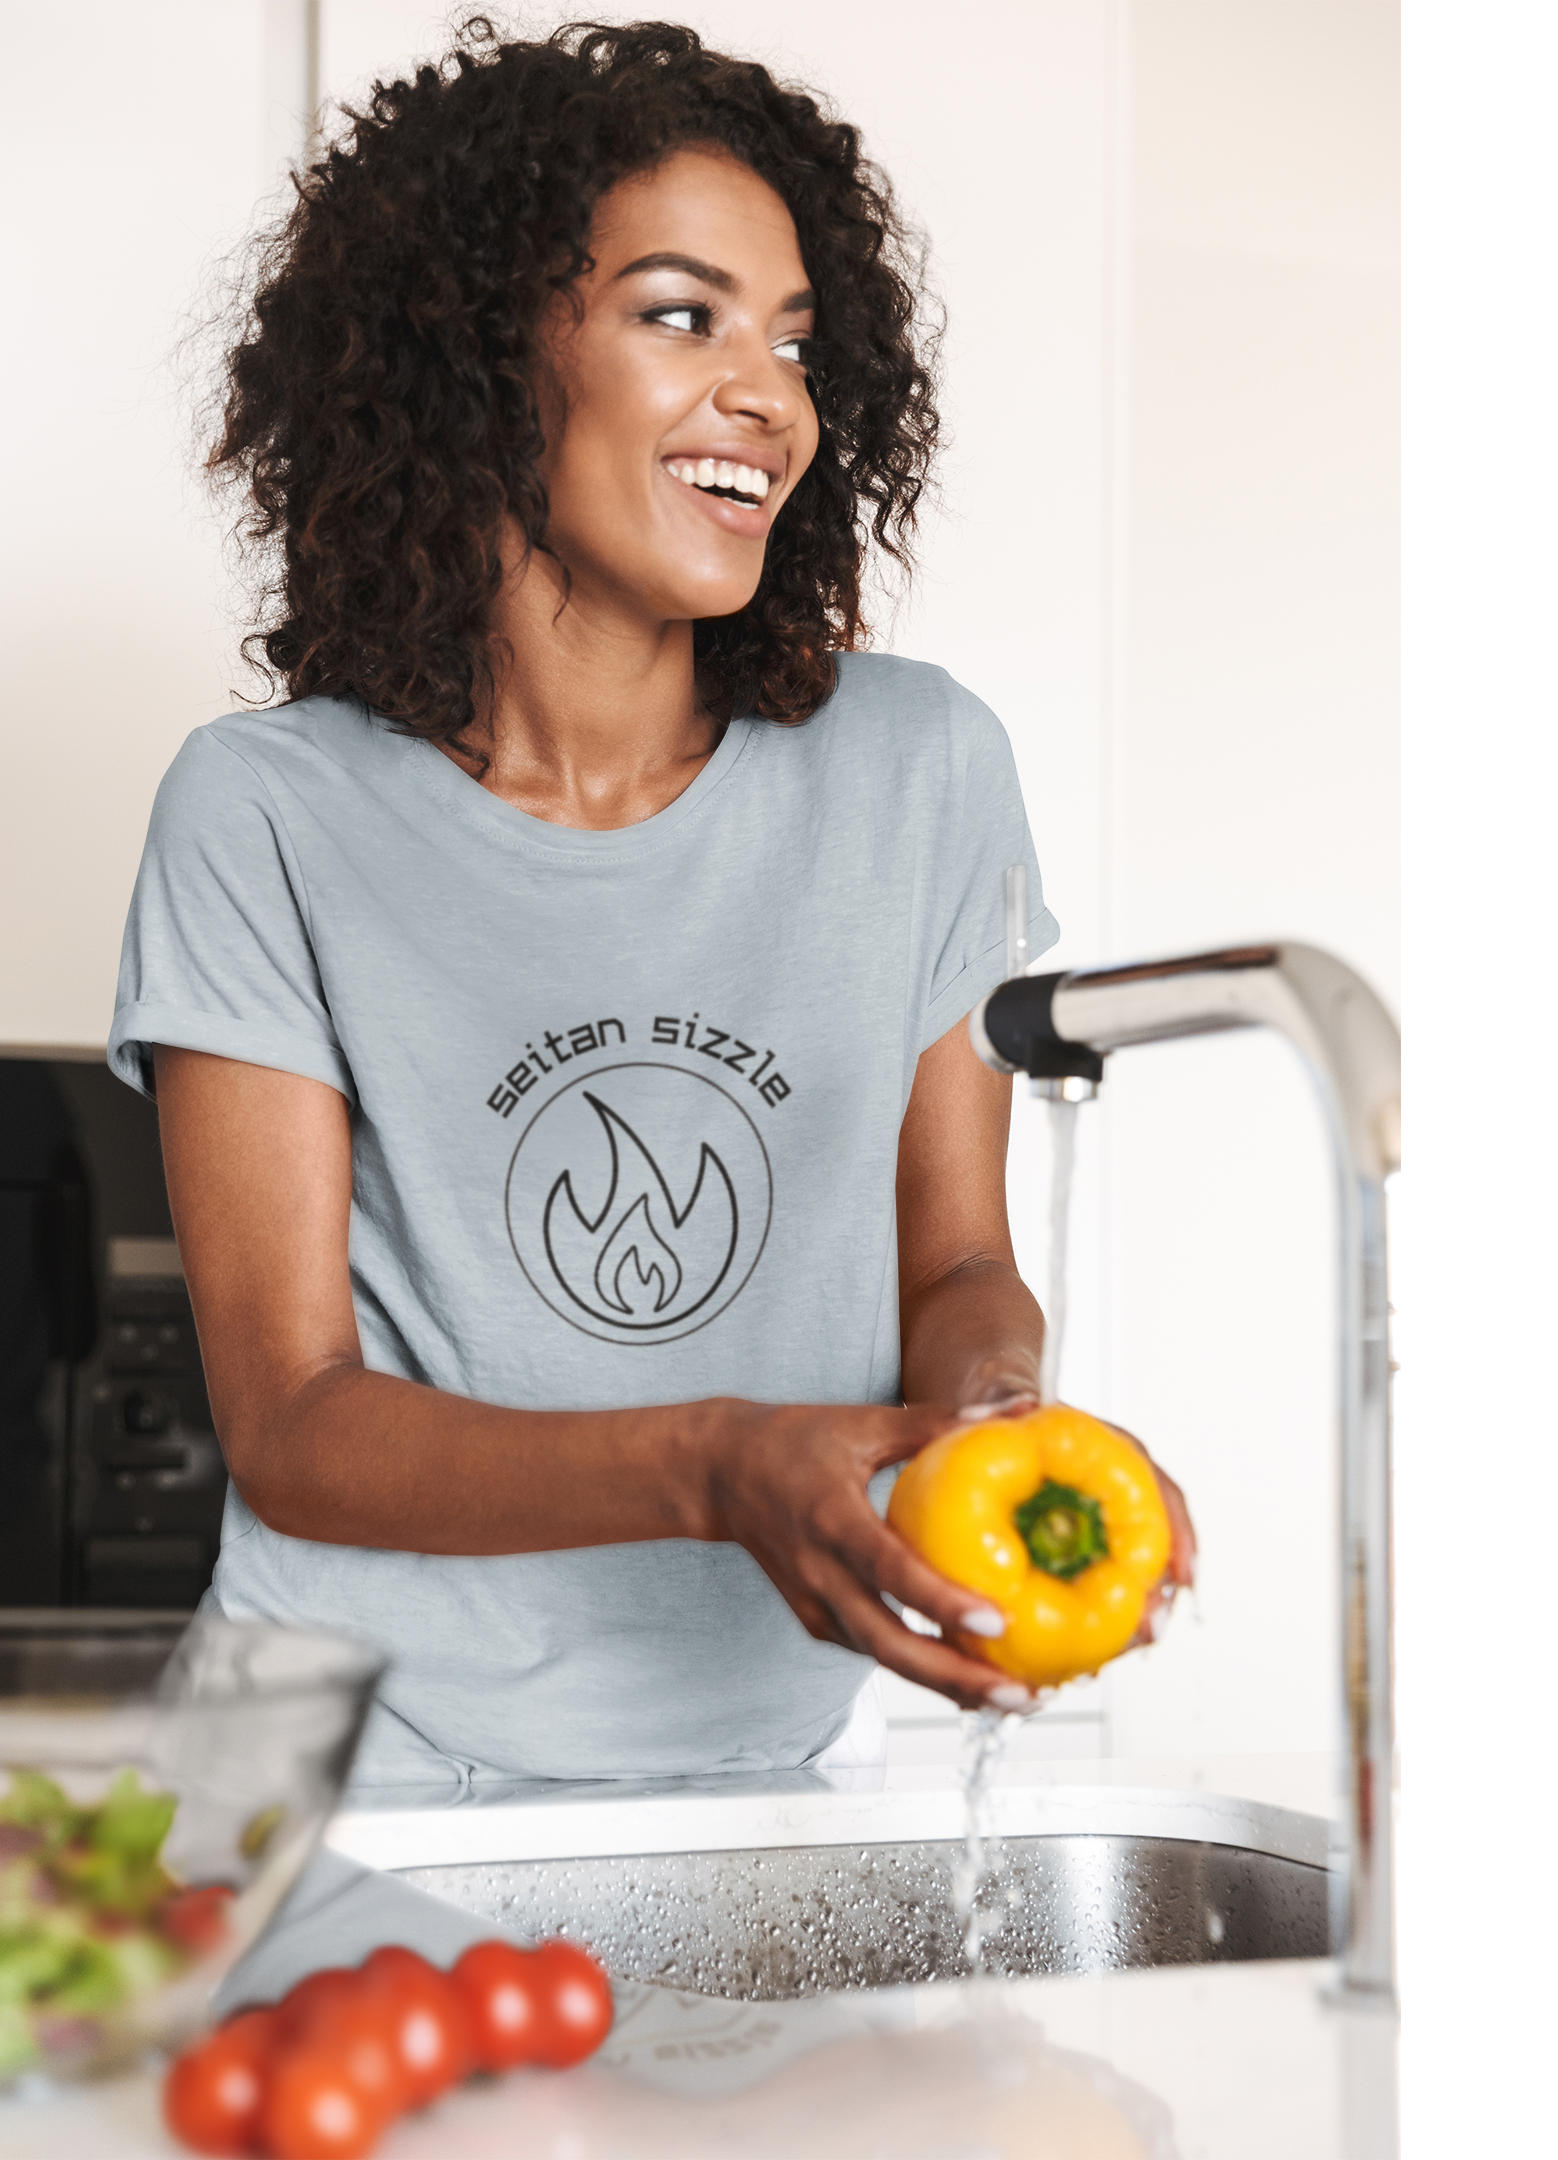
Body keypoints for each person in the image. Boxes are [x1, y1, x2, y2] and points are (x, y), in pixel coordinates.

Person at [110, 20, 1192, 1789]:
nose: (767, 393)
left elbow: (962, 1261)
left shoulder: (919, 771)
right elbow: (296, 1424)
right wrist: (714, 1460)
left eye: (793, 337)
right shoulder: (263, 813)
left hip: (754, 1757)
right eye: (681, 315)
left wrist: (989, 1431)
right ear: (475, 355)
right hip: (325, 1764)